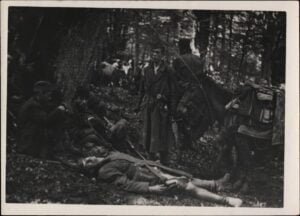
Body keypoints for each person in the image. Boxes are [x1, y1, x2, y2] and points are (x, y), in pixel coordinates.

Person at [67, 149, 242, 207]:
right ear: (89, 169)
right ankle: (226, 201)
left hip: (151, 170)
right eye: (88, 162)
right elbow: (125, 184)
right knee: (188, 187)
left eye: (89, 157)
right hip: (150, 180)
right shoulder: (104, 171)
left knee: (183, 176)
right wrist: (150, 189)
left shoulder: (108, 157)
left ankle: (216, 184)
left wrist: (154, 165)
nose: (92, 158)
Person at [136, 45, 177, 165]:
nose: (154, 55)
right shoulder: (147, 69)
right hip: (149, 104)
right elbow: (142, 89)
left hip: (161, 106)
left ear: (162, 55)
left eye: (157, 53)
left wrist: (169, 104)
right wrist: (139, 105)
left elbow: (174, 90)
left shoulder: (168, 71)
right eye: (153, 53)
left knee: (162, 132)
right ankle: (150, 156)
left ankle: (164, 159)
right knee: (148, 130)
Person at [17, 81, 68, 159]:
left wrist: (60, 108)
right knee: (54, 120)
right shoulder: (32, 106)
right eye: (48, 95)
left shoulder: (35, 102)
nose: (50, 98)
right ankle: (54, 150)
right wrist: (59, 110)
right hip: (28, 144)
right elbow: (45, 120)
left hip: (30, 140)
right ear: (40, 94)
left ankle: (59, 149)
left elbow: (47, 108)